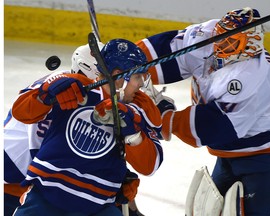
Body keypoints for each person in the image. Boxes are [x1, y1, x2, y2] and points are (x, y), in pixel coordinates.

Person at [137, 7, 270, 215]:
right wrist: (129, 63)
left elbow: (212, 127)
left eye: (230, 40)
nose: (219, 44)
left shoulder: (254, 76)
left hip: (264, 157)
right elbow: (169, 52)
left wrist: (166, 117)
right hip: (226, 156)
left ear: (249, 46)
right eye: (220, 35)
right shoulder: (207, 36)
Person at [11, 38, 163, 216]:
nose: (140, 84)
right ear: (118, 75)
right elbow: (20, 113)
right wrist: (44, 94)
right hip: (46, 196)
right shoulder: (73, 86)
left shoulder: (137, 109)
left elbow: (150, 166)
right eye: (137, 77)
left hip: (98, 206)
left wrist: (133, 135)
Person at [4, 42, 104, 216]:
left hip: (29, 177)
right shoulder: (60, 85)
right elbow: (34, 132)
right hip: (11, 172)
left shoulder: (91, 96)